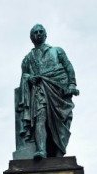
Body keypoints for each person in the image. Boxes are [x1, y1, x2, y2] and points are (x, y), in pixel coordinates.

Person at [15, 24, 80, 160]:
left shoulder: (57, 51)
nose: (38, 34)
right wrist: (29, 79)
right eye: (35, 32)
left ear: (45, 35)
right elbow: (24, 79)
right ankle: (41, 150)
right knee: (40, 118)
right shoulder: (28, 59)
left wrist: (72, 84)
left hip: (58, 91)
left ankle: (58, 151)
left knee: (61, 122)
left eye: (41, 31)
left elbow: (68, 67)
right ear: (31, 38)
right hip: (39, 91)